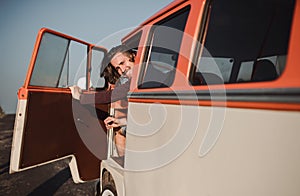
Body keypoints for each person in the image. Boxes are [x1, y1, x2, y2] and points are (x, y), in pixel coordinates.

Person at [70, 44, 136, 156]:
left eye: (122, 63)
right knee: (119, 127)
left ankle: (126, 169)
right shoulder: (137, 78)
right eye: (118, 68)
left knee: (119, 134)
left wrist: (81, 97)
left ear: (133, 56)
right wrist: (123, 121)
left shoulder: (145, 74)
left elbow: (111, 95)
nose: (122, 70)